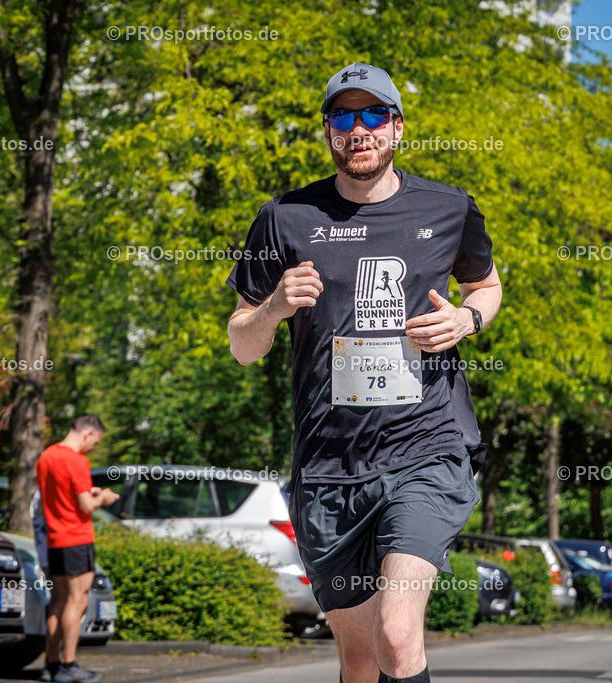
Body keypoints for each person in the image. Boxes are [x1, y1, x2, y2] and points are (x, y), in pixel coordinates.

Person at [226, 62, 502, 683]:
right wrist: (274, 306)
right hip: (329, 463)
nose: (360, 129)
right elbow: (243, 344)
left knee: (398, 636)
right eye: (344, 117)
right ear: (329, 132)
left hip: (425, 447)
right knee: (358, 660)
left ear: (396, 127)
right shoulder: (286, 218)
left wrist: (465, 321)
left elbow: (485, 286)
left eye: (373, 114)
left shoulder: (449, 207)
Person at [35, 414, 120, 683]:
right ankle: (68, 665)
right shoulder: (77, 461)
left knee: (59, 602)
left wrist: (87, 494)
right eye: (96, 440)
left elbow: (63, 496)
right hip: (77, 538)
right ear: (87, 434)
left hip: (55, 539)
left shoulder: (46, 457)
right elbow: (85, 506)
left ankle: (51, 663)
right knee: (77, 600)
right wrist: (103, 497)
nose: (94, 447)